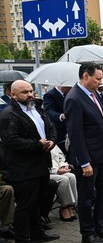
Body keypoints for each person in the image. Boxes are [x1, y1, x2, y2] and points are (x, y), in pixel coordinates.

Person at [64, 63, 103, 243]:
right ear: (85, 76)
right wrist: (84, 162)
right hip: (87, 159)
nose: (100, 82)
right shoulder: (74, 98)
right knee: (87, 197)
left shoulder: (94, 94)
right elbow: (76, 133)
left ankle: (100, 226)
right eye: (97, 78)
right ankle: (87, 234)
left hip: (102, 155)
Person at [0, 80, 60, 243]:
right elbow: (11, 140)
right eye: (24, 92)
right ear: (12, 95)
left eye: (31, 91)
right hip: (22, 167)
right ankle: (22, 237)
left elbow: (51, 127)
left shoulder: (37, 108)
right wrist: (37, 145)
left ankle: (36, 232)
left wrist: (52, 141)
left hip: (41, 163)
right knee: (26, 205)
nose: (29, 95)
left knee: (38, 202)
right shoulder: (8, 114)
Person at [49, 145, 77, 222]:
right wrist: (57, 170)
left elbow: (61, 156)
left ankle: (70, 206)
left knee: (71, 177)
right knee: (64, 179)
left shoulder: (52, 144)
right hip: (49, 173)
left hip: (58, 170)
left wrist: (63, 166)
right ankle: (64, 207)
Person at [43, 85, 71, 153]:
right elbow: (49, 111)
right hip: (59, 132)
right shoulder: (50, 95)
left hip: (70, 130)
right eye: (69, 87)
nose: (71, 88)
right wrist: (61, 116)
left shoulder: (70, 94)